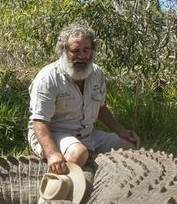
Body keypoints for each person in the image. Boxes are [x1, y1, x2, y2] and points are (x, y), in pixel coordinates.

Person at [28, 24, 140, 175]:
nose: (82, 56)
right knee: (78, 154)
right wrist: (52, 153)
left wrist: (121, 130)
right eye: (75, 51)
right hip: (54, 134)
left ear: (92, 50)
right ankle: (61, 182)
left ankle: (86, 162)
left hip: (87, 134)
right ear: (64, 50)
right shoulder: (48, 78)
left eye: (86, 50)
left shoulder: (97, 74)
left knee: (129, 146)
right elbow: (39, 123)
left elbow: (100, 108)